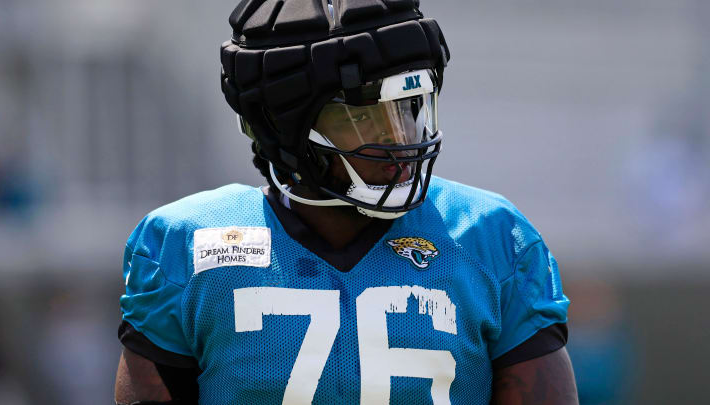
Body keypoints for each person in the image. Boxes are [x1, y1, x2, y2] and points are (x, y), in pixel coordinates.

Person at [114, 1, 578, 404]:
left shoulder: (490, 237)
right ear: (284, 124)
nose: (398, 141)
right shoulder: (186, 245)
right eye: (363, 117)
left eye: (408, 109)